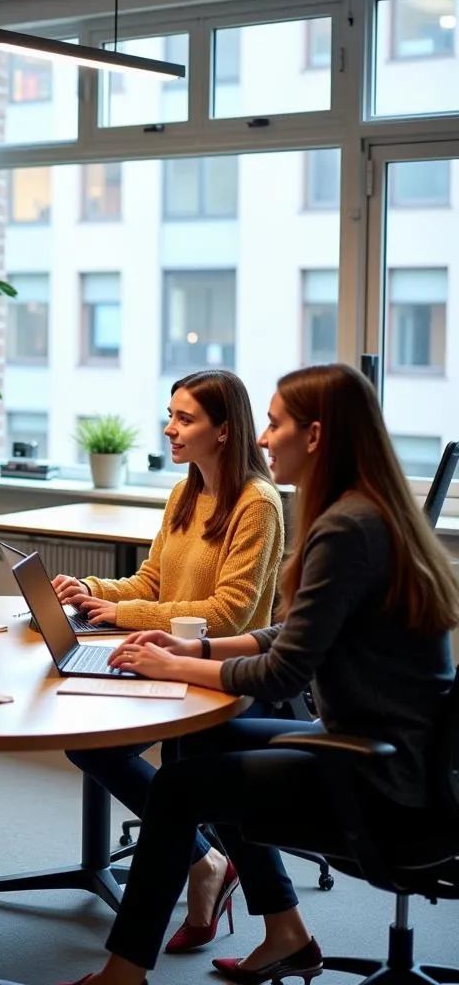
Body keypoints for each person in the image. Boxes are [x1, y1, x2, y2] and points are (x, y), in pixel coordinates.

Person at [62, 363, 458, 985]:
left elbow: (282, 672)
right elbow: (292, 634)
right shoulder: (367, 514)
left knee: (176, 789)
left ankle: (124, 972)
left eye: (275, 424)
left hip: (381, 776)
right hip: (402, 757)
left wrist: (180, 661)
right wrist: (198, 651)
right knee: (202, 745)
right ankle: (286, 930)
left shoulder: (345, 528)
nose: (265, 437)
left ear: (317, 435)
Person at [60, 369, 285, 953]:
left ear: (225, 430)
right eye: (171, 414)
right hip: (173, 660)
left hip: (226, 675)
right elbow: (152, 581)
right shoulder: (186, 492)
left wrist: (126, 618)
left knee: (137, 754)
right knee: (88, 738)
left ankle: (206, 865)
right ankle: (205, 861)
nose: (169, 428)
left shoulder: (257, 504)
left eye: (185, 419)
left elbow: (231, 614)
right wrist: (90, 592)